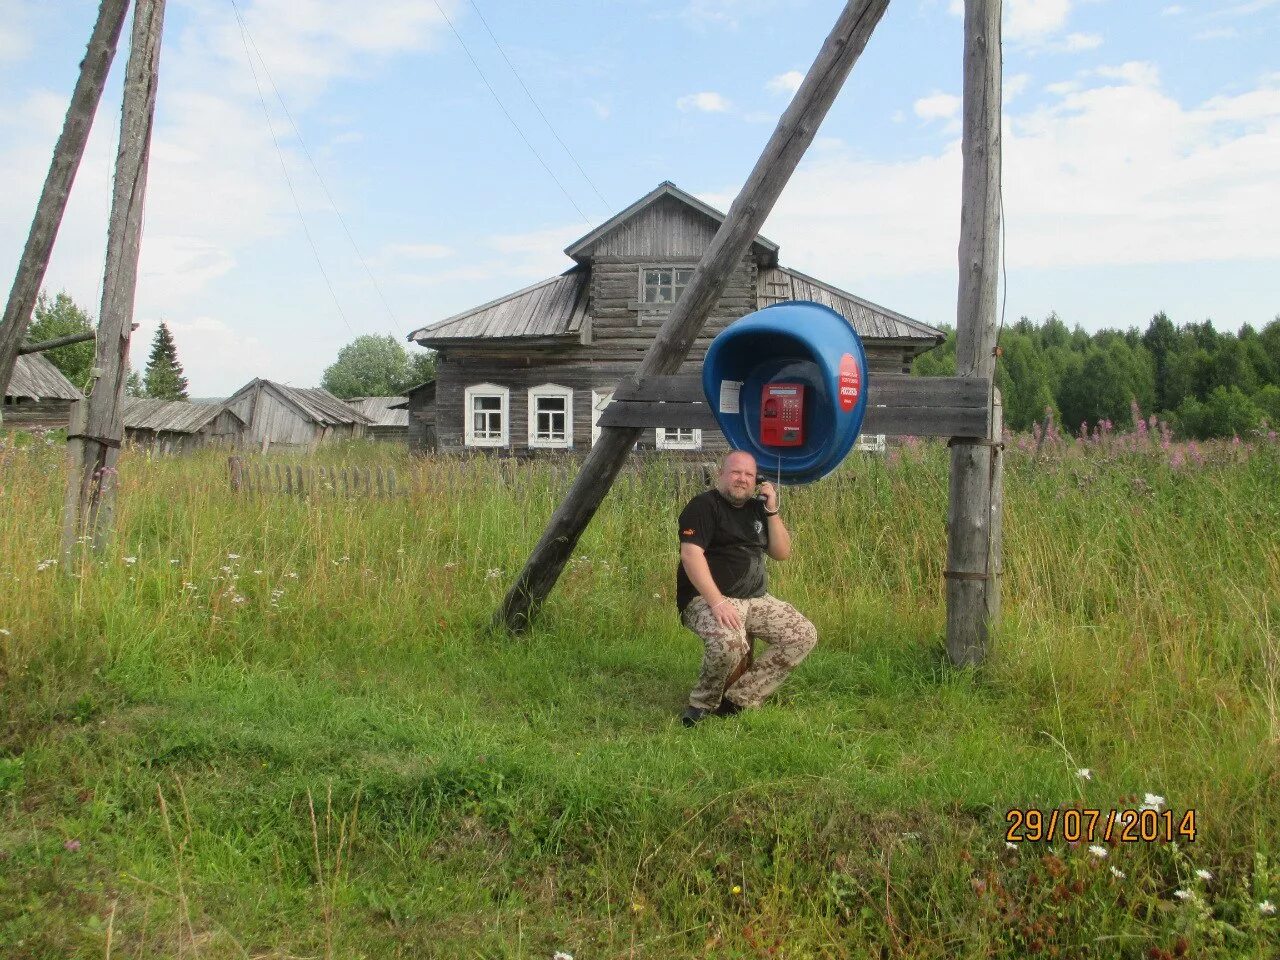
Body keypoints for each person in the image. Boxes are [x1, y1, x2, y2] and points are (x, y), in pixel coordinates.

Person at [676, 450, 818, 726]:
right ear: (721, 474)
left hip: (755, 599)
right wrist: (717, 602)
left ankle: (738, 699)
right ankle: (702, 704)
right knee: (729, 643)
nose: (742, 479)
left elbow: (782, 553)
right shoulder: (703, 506)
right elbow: (691, 555)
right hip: (706, 599)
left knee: (803, 634)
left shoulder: (757, 510)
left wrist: (772, 510)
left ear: (756, 481)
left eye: (749, 475)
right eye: (736, 472)